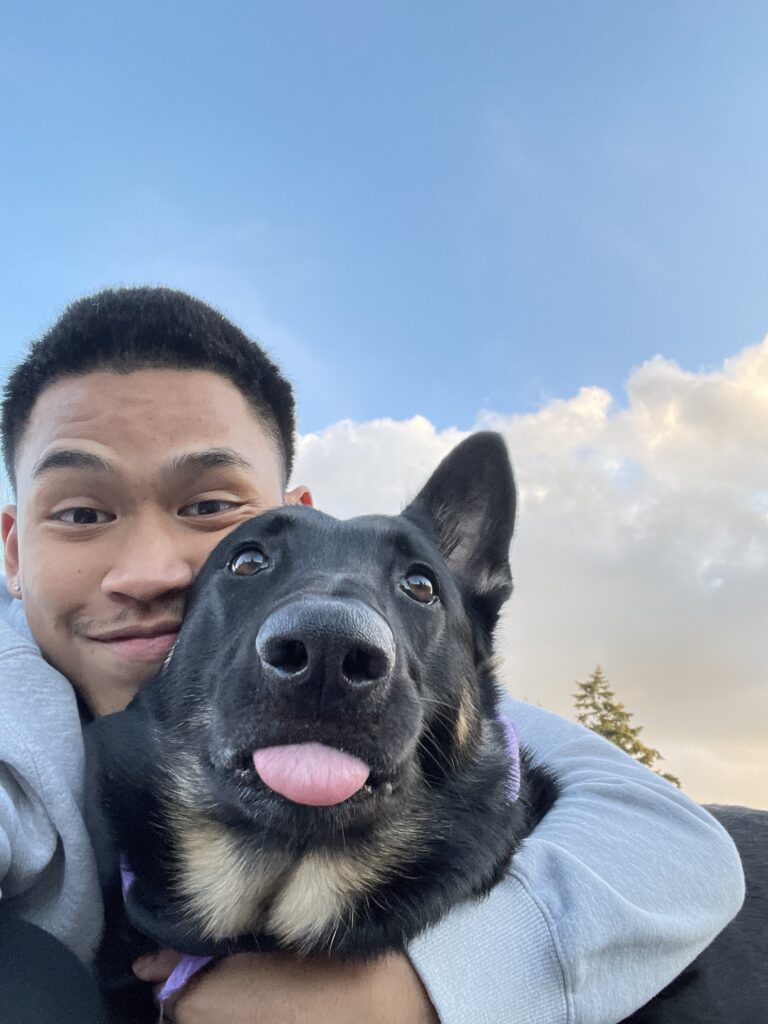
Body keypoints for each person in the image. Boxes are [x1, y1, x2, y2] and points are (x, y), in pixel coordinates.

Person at [0, 287, 744, 1024]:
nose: (149, 571)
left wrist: (423, 990)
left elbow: (680, 844)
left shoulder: (465, 716)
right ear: (13, 550)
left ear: (298, 510)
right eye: (81, 514)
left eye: (210, 509)